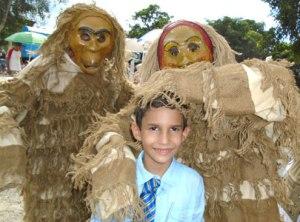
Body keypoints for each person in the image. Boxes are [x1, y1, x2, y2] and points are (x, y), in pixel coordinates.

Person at [73, 20, 299, 221]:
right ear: (160, 62)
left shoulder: (238, 92)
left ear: (213, 52)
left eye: (193, 47)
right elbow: (109, 130)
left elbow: (277, 85)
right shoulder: (153, 107)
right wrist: (117, 164)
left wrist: (176, 81)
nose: (184, 59)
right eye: (172, 51)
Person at [0, 4, 134, 221]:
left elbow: (136, 105)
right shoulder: (44, 70)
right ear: (68, 35)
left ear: (113, 43)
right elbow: (10, 98)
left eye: (101, 38)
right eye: (85, 35)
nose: (92, 45)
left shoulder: (112, 79)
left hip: (90, 177)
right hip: (48, 178)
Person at [91, 94, 205, 221]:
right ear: (137, 131)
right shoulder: (117, 176)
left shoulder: (192, 183)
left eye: (174, 129)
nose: (164, 140)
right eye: (154, 128)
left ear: (184, 134)